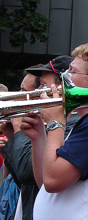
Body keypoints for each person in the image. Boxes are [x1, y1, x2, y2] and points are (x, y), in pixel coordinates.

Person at [20, 43, 88, 220]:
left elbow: (53, 181)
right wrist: (38, 137)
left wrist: (55, 123)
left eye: (72, 71)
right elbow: (45, 182)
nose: (65, 76)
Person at [1, 60, 80, 220]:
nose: (38, 92)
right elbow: (21, 180)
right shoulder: (52, 123)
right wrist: (12, 136)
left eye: (43, 85)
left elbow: (27, 173)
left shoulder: (71, 125)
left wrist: (18, 132)